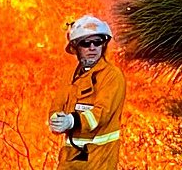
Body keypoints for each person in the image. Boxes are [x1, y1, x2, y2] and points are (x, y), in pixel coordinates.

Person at [48, 15, 125, 169]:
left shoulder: (112, 75)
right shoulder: (70, 75)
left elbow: (101, 113)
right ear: (76, 47)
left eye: (97, 42)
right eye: (86, 43)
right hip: (70, 159)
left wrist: (72, 121)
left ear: (103, 45)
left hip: (100, 160)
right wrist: (56, 120)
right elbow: (58, 105)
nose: (92, 48)